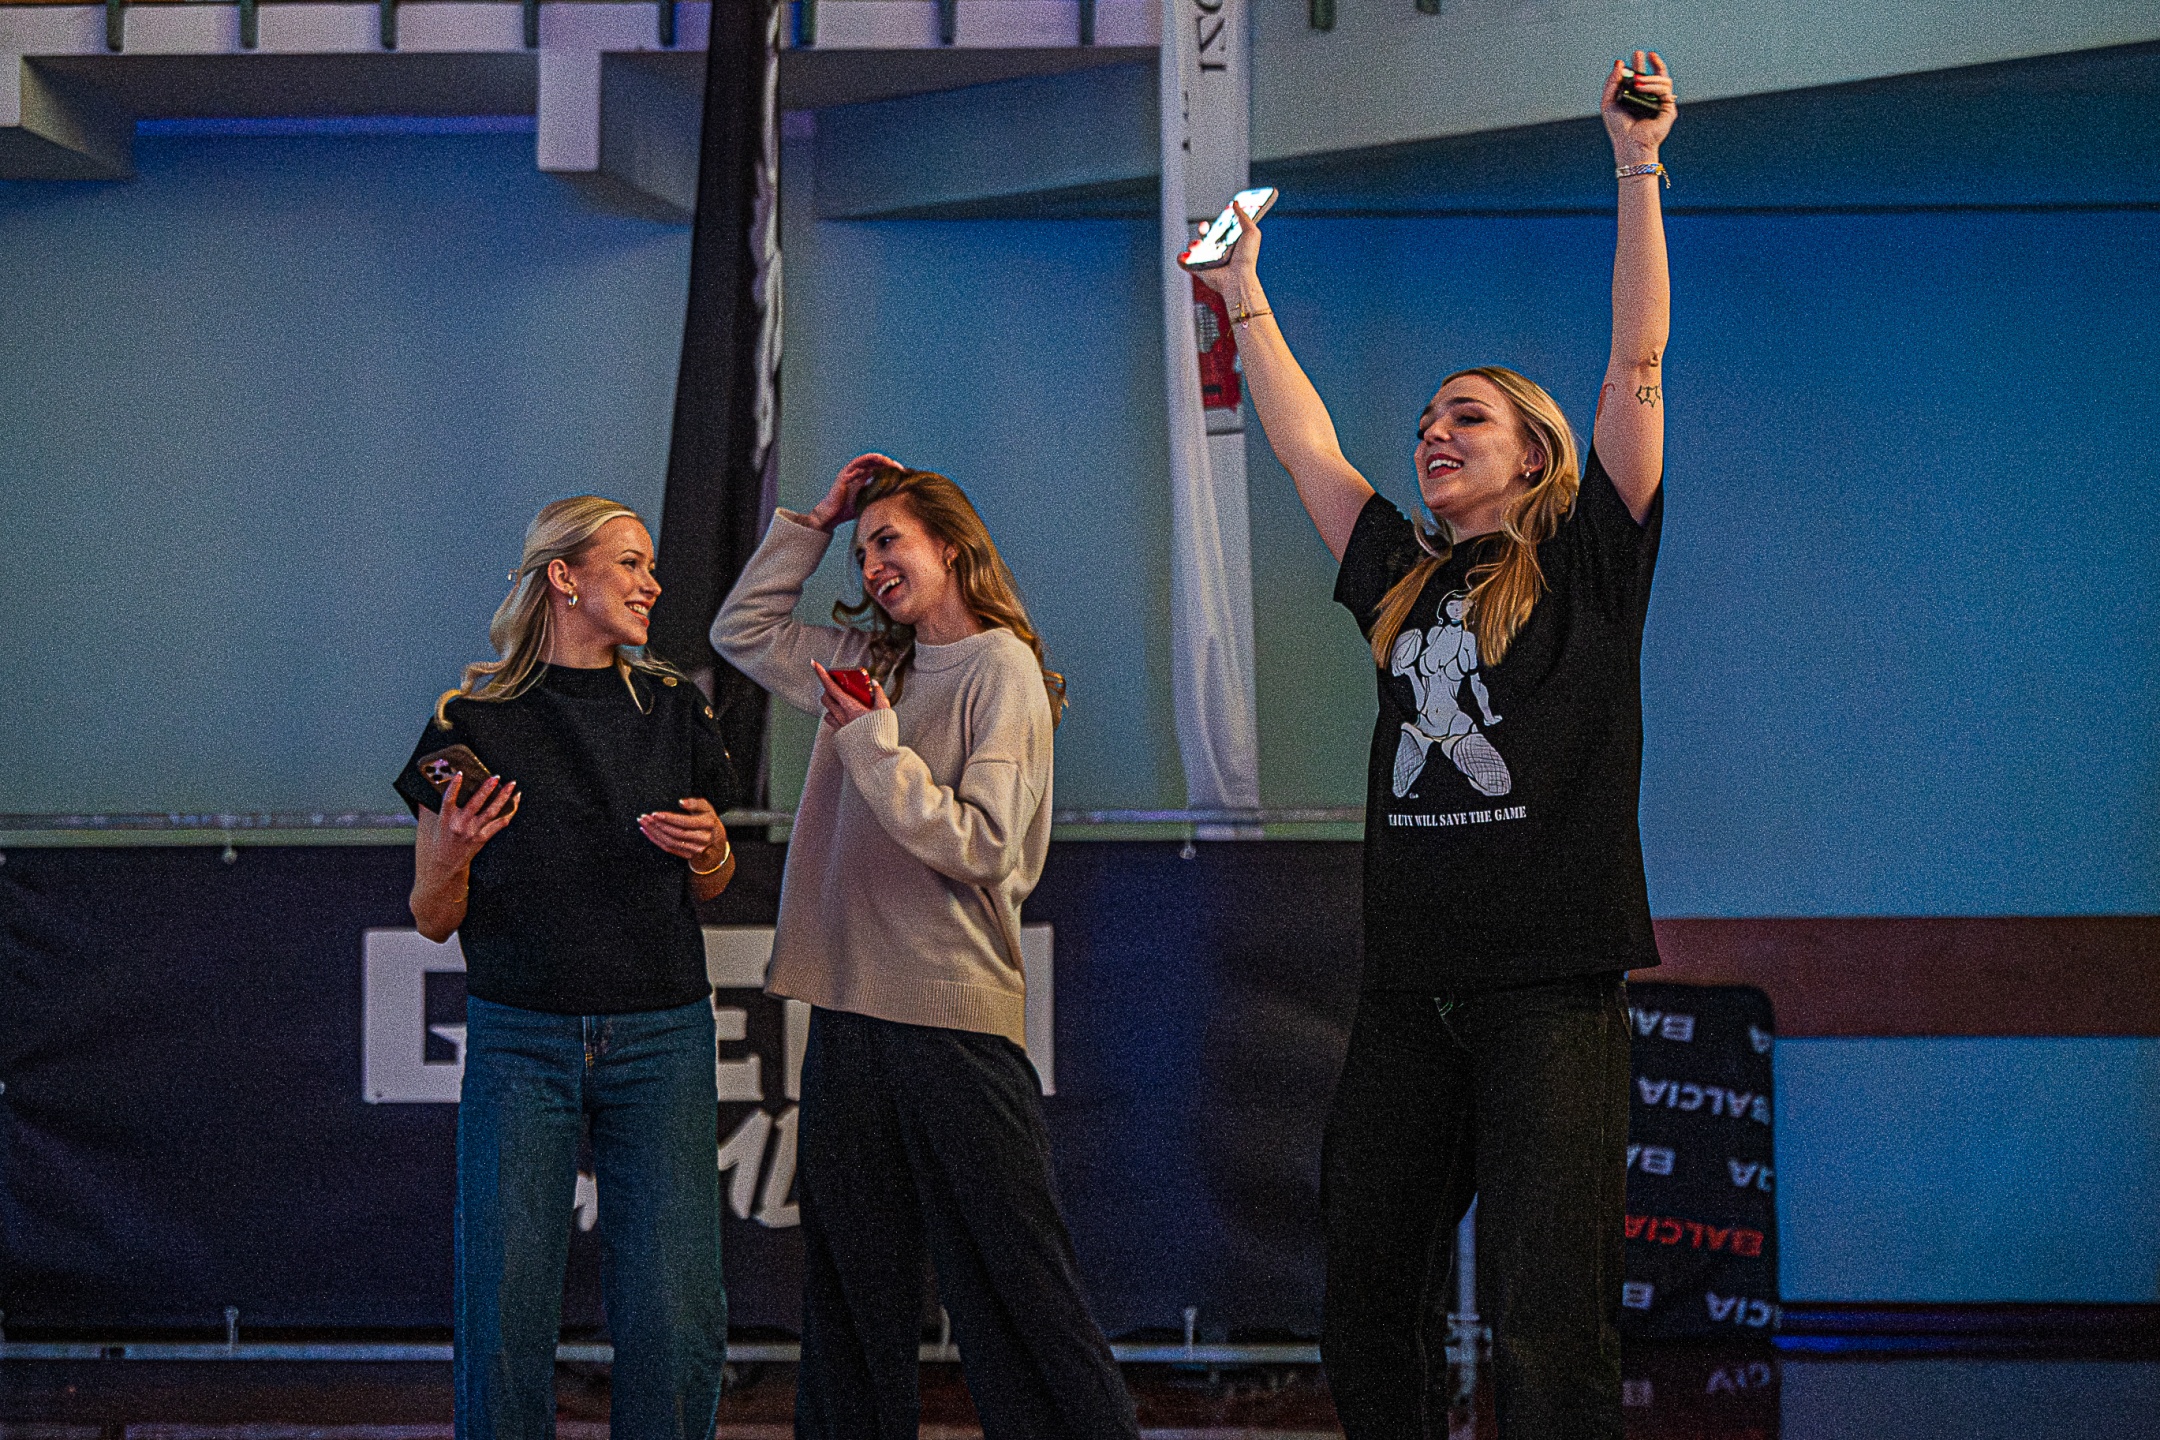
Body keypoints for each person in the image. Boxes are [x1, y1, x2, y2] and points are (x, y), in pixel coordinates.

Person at [1194, 54, 1679, 1440]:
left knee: (1544, 1320)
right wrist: (1240, 290)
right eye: (1423, 424)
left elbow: (1637, 361)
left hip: (1550, 990)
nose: (1433, 435)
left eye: (1466, 417)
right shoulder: (1402, 580)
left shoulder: (1594, 563)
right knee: (1366, 1296)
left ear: (1536, 454)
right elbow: (1305, 447)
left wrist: (1636, 162)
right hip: (1411, 991)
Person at [712, 457, 1139, 1440]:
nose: (872, 564)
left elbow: (984, 844)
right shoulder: (874, 665)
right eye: (862, 551)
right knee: (850, 1294)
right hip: (850, 1016)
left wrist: (872, 745)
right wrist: (815, 523)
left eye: (888, 540)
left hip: (951, 1023)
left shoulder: (1001, 667)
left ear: (951, 545)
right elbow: (742, 633)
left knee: (1015, 1285)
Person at [393, 495, 739, 1440]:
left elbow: (714, 882)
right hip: (520, 1037)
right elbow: (431, 919)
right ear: (563, 577)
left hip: (662, 1036)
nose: (651, 584)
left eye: (651, 566)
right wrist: (451, 858)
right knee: (504, 1307)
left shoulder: (675, 708)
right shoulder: (467, 723)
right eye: (630, 563)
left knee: (677, 1308)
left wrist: (710, 849)